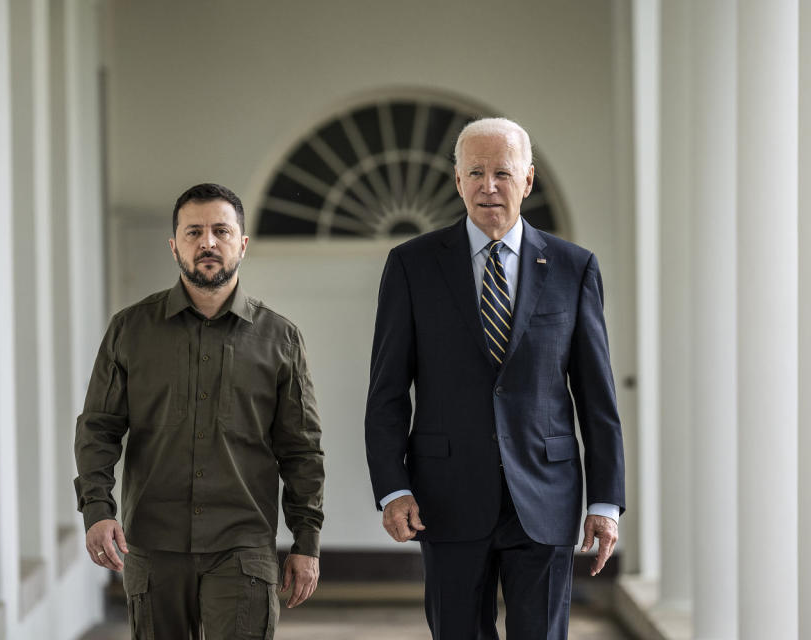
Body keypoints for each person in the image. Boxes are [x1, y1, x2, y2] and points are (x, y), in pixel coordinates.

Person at [364, 118, 625, 639]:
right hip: (446, 495)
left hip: (547, 494)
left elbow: (597, 398)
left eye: (502, 173)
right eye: (475, 172)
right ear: (457, 180)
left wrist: (604, 501)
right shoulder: (412, 265)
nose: (489, 186)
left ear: (527, 180)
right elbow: (388, 393)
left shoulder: (575, 269)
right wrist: (392, 488)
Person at [74, 183, 325, 640]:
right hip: (153, 542)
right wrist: (97, 508)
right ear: (175, 246)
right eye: (193, 232)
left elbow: (301, 449)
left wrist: (306, 540)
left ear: (242, 244)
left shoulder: (280, 338)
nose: (207, 242)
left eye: (220, 231)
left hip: (244, 545)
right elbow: (98, 428)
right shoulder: (130, 330)